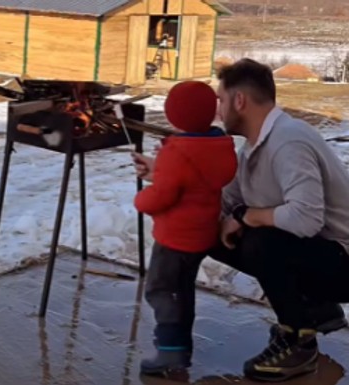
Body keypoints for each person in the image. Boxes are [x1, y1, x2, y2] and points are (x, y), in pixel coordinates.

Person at [132, 58, 349, 382]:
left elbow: (306, 219)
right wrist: (165, 174)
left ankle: (298, 339)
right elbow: (224, 200)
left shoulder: (289, 141)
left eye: (222, 100)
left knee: (261, 240)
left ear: (239, 101)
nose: (218, 110)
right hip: (319, 254)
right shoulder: (253, 148)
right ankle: (315, 309)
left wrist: (246, 217)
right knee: (211, 231)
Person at [133, 81, 238, 377]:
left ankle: (170, 352)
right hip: (201, 235)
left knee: (160, 290)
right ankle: (181, 345)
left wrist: (141, 199)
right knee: (182, 291)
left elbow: (163, 195)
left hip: (175, 239)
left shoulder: (178, 151)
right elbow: (190, 183)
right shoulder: (218, 146)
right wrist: (161, 168)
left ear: (174, 116)